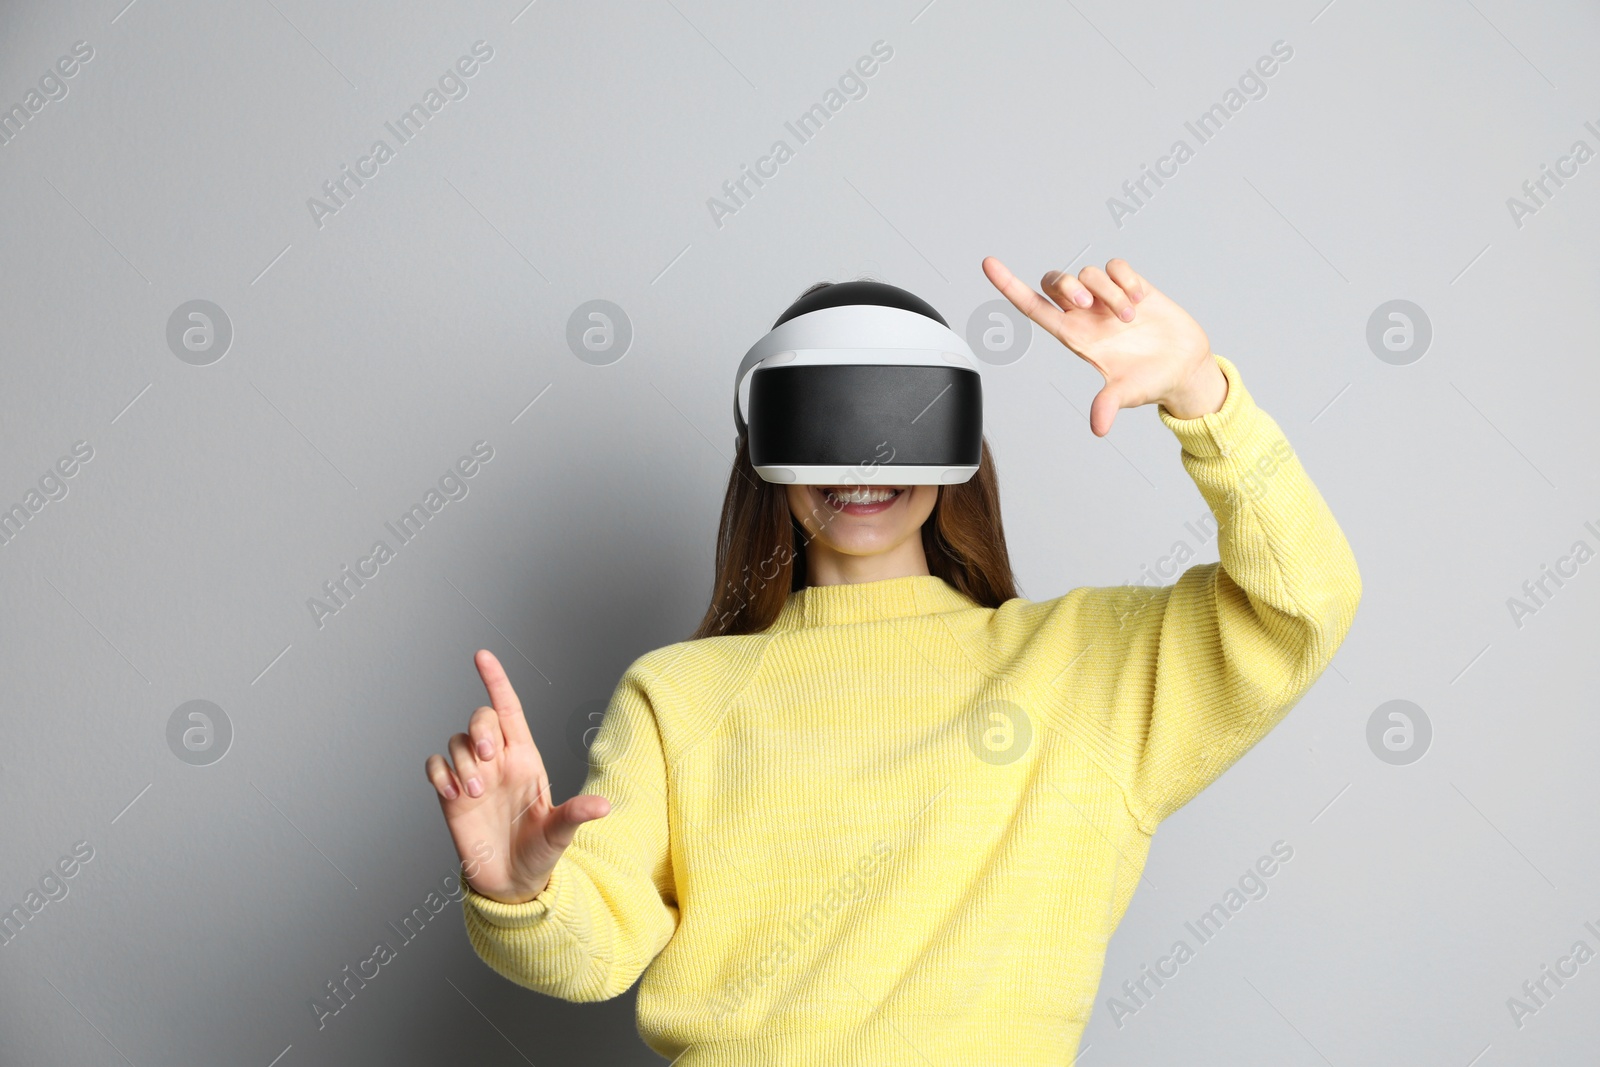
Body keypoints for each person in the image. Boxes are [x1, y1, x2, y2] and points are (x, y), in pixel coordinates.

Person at [424, 257, 1361, 1064]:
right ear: (765, 449)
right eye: (824, 415)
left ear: (957, 440)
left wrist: (1203, 398)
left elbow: (1304, 602)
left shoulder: (1089, 669)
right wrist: (519, 888)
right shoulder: (677, 695)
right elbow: (594, 951)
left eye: (901, 412)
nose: (862, 454)